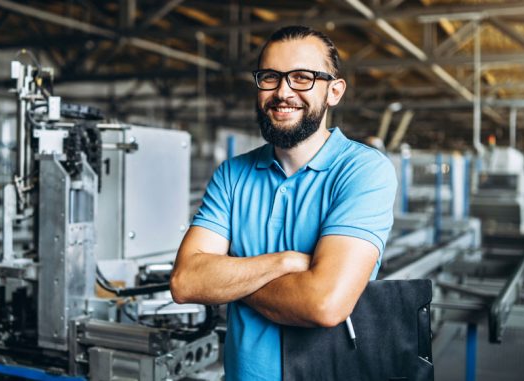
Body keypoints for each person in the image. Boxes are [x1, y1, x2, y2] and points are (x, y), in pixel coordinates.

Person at [170, 26, 398, 381]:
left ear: (334, 91)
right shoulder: (233, 174)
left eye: (303, 78)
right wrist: (288, 262)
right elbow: (186, 283)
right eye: (270, 77)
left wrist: (230, 278)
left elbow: (323, 303)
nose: (283, 92)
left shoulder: (364, 170)